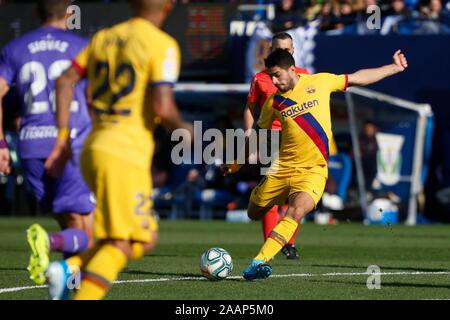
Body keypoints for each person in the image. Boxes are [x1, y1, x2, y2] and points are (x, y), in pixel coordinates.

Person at [44, 0, 193, 299]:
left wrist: (62, 140)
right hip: (124, 152)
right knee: (122, 243)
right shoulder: (162, 44)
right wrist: (187, 130)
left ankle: (70, 266)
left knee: (144, 238)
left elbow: (65, 79)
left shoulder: (103, 37)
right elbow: (162, 106)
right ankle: (74, 279)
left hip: (93, 146)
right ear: (167, 8)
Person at [224, 48, 408, 280]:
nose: (273, 81)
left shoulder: (320, 82)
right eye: (270, 76)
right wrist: (238, 163)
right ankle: (266, 198)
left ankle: (259, 262)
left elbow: (358, 77)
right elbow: (258, 134)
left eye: (277, 75)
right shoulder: (273, 102)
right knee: (253, 212)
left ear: (292, 69)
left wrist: (393, 67)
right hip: (281, 170)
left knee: (296, 211)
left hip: (313, 172)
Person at [0, 0, 95, 285]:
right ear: (70, 14)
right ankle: (48, 242)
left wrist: (2, 144)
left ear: (36, 12)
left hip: (31, 147)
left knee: (71, 221)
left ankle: (70, 283)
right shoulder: (82, 47)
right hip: (69, 146)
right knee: (87, 229)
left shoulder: (15, 48)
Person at [244, 32, 308, 259]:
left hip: (297, 141)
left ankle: (288, 243)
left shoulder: (304, 76)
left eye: (287, 50)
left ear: (293, 52)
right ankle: (270, 243)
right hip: (271, 139)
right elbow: (251, 109)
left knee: (296, 195)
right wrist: (252, 137)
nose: (282, 53)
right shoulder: (261, 79)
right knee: (269, 194)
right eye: (277, 49)